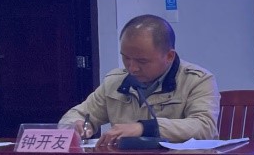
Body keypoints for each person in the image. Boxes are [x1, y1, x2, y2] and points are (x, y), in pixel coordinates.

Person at [59, 15, 219, 146]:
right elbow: (76, 114)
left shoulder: (197, 80)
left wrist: (145, 128)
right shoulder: (115, 81)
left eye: (142, 61)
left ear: (169, 56)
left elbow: (205, 127)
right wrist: (76, 126)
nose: (132, 68)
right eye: (126, 58)